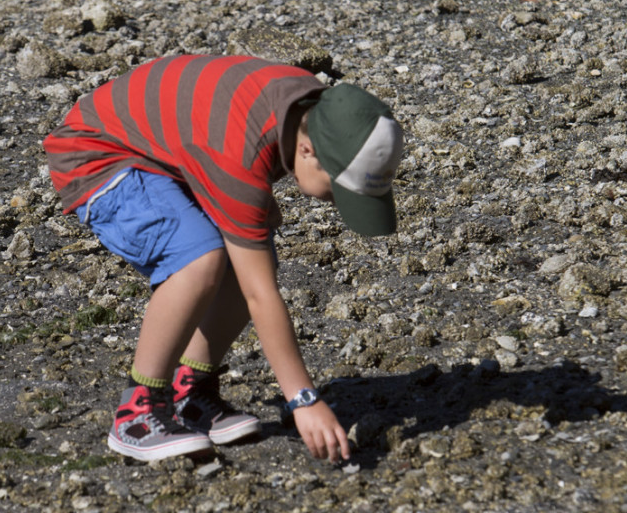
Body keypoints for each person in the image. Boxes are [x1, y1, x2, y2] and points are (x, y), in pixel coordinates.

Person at [43, 55, 403, 464]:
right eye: (339, 191)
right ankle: (137, 414)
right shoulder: (241, 150)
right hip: (97, 153)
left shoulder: (313, 107)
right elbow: (260, 294)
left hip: (168, 152)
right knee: (199, 259)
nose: (337, 204)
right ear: (306, 149)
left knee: (253, 245)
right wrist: (303, 399)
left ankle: (190, 391)